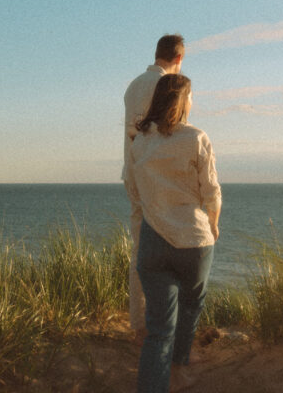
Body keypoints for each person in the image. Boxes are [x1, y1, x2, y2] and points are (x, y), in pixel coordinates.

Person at [126, 73, 221, 393]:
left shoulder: (140, 141)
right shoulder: (196, 138)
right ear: (183, 102)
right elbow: (211, 193)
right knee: (191, 306)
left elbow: (133, 189)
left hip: (154, 241)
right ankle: (179, 372)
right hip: (193, 241)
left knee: (158, 331)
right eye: (191, 97)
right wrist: (214, 222)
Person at [123, 34, 185, 339]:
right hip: (158, 177)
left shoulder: (134, 85)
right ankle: (164, 326)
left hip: (132, 173)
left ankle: (139, 325)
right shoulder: (171, 87)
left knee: (141, 249)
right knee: (171, 248)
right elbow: (175, 134)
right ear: (178, 59)